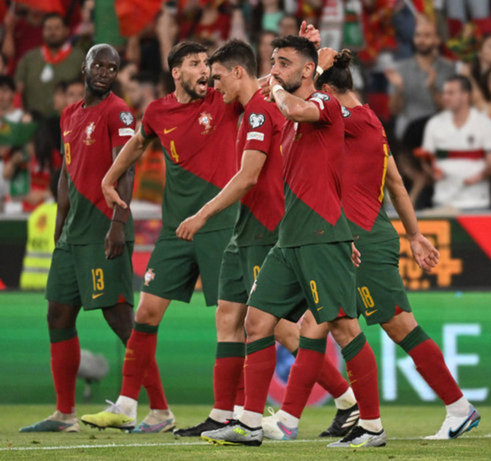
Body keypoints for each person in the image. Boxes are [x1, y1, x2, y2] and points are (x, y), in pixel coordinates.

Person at [261, 47, 480, 442]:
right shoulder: (370, 122)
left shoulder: (347, 119)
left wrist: (306, 70)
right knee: (315, 324)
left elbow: (300, 104)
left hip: (360, 237)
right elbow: (394, 182)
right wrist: (414, 234)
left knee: (397, 325)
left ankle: (456, 407)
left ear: (327, 90)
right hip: (353, 233)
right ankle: (290, 419)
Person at [200, 35, 385, 449]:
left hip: (320, 238)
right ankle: (249, 423)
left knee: (344, 328)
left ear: (307, 71)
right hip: (288, 241)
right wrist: (299, 59)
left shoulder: (324, 105)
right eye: (273, 62)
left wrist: (290, 80)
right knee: (256, 322)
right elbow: (253, 84)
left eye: (283, 62)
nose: (274, 70)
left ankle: (371, 426)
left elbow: (295, 104)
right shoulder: (283, 116)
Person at [80, 41, 242, 432]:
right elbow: (137, 143)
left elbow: (263, 83)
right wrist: (108, 179)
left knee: (238, 320)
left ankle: (238, 412)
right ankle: (130, 406)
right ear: (176, 73)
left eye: (207, 63)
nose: (205, 70)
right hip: (176, 231)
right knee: (146, 313)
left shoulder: (224, 100)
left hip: (220, 226)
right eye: (195, 63)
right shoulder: (157, 111)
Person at [17, 44, 146, 433]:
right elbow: (65, 174)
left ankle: (159, 408)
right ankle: (64, 414)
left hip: (104, 227)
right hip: (73, 233)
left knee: (121, 319)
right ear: (84, 68)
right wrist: (60, 222)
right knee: (57, 314)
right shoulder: (69, 114)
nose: (105, 72)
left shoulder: (119, 112)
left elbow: (127, 169)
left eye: (113, 67)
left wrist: (119, 222)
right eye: (99, 65)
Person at [385, 15, 456, 207]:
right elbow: (394, 109)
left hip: (441, 133)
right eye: (418, 35)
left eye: (427, 35)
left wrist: (432, 89)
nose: (422, 40)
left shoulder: (448, 68)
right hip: (409, 136)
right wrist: (399, 89)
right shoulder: (401, 68)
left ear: (437, 39)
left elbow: (450, 108)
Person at [421, 75, 491, 211]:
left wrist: (480, 176)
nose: (445, 97)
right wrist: (433, 173)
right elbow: (426, 158)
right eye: (444, 93)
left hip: (477, 201)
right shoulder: (434, 124)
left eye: (451, 93)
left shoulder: (485, 123)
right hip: (443, 199)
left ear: (465, 95)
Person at [14, 12, 84, 117]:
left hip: (69, 118)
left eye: (57, 28)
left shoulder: (79, 58)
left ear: (66, 31)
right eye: (48, 28)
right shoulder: (29, 58)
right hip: (34, 119)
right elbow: (18, 90)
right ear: (42, 31)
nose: (52, 32)